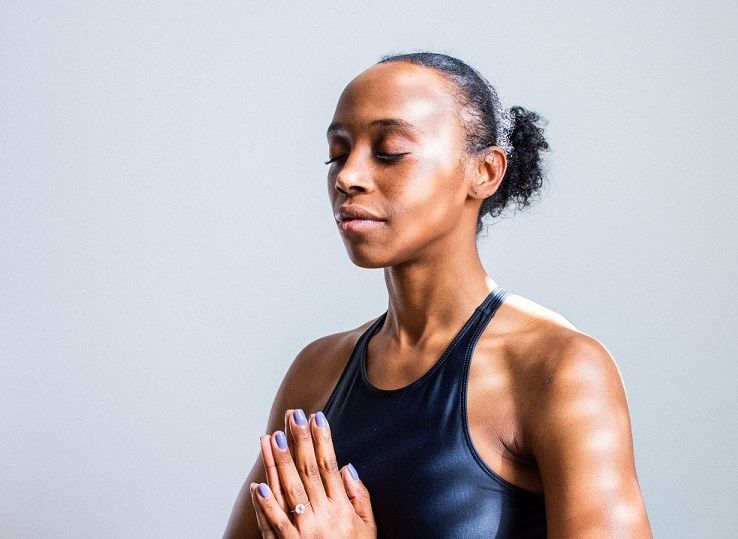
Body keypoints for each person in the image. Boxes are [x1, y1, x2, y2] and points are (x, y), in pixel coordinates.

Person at [223, 51, 652, 538]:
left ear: (485, 172)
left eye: (389, 152)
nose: (348, 177)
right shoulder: (316, 372)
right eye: (337, 154)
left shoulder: (558, 369)